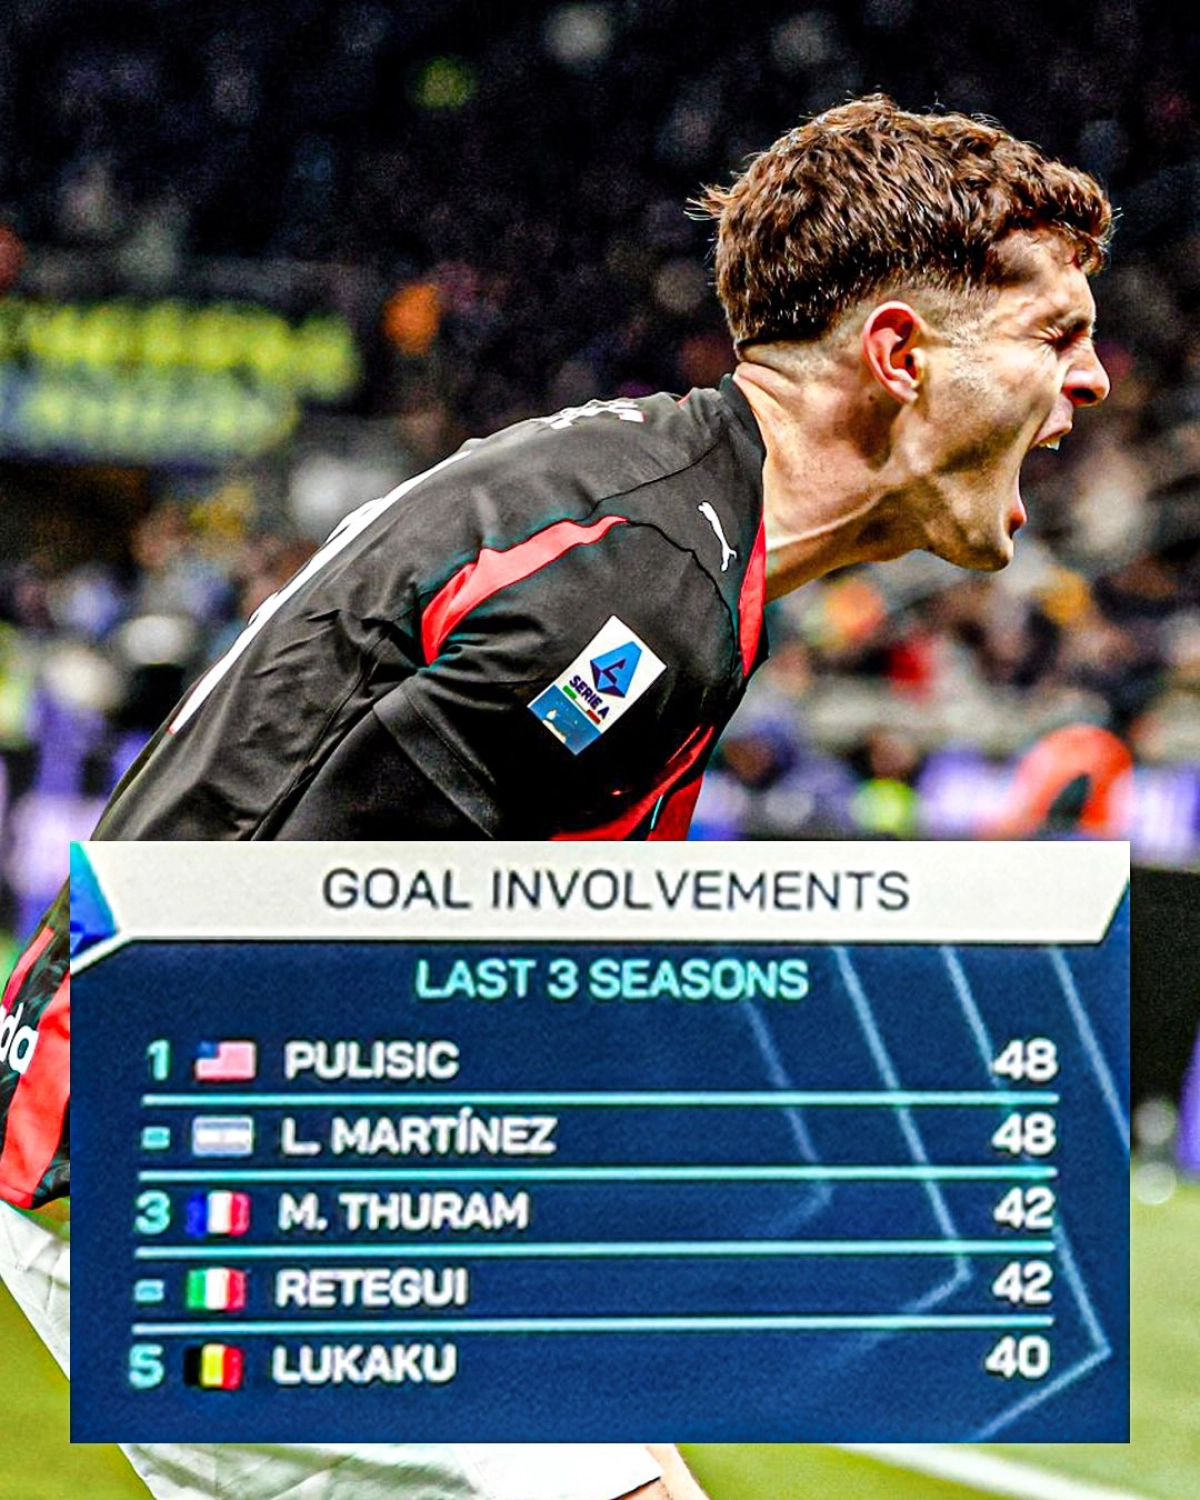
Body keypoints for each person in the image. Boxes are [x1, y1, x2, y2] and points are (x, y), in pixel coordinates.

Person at [1, 95, 1112, 1500]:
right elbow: (294, 959)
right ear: (898, 356)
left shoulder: (662, 519)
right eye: (1055, 335)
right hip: (184, 1169)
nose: (1094, 382)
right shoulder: (637, 582)